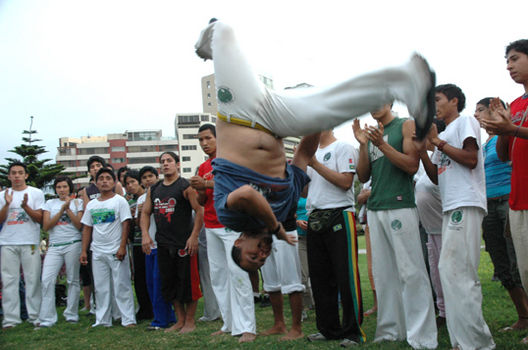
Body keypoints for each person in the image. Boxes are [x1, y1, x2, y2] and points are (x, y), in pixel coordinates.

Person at [194, 19, 436, 268]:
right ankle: (407, 80)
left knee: (224, 31)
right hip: (276, 121)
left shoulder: (233, 218)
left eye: (252, 256)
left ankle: (209, 38)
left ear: (238, 243)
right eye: (262, 259)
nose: (262, 254)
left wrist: (276, 228)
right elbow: (303, 155)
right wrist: (319, 121)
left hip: (239, 113)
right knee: (327, 109)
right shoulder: (284, 211)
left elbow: (246, 194)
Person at [353, 104, 437, 349]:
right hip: (376, 207)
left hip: (400, 204)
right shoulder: (372, 135)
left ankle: (422, 336)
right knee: (383, 273)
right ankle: (390, 330)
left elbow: (412, 165)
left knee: (411, 272)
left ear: (390, 102)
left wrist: (381, 145)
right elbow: (362, 175)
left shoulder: (405, 125)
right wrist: (362, 144)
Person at [418, 84, 494, 349]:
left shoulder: (465, 122)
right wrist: (423, 151)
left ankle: (477, 342)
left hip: (466, 202)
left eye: (436, 99)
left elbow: (471, 158)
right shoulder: (445, 133)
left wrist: (438, 142)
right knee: (449, 271)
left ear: (454, 100)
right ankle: (462, 339)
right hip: (450, 206)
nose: (433, 105)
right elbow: (436, 177)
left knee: (460, 273)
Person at [189, 124, 256, 342]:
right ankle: (228, 323)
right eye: (200, 140)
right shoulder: (202, 167)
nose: (204, 143)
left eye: (208, 138)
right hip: (210, 225)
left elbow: (234, 186)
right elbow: (201, 201)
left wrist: (206, 183)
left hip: (231, 224)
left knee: (238, 273)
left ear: (219, 138)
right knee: (218, 277)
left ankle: (247, 327)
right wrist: (199, 189)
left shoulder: (231, 159)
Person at [481, 39, 528, 344]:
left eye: (514, 59)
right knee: (524, 268)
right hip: (518, 197)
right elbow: (506, 153)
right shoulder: (516, 105)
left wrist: (512, 129)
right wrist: (501, 128)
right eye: (506, 61)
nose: (508, 66)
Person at [304, 130, 364, 347]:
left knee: (345, 276)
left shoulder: (343, 147)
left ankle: (352, 331)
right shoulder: (311, 153)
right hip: (315, 216)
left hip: (340, 213)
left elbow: (346, 182)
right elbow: (305, 192)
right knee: (319, 278)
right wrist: (299, 166)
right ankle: (328, 329)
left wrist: (314, 164)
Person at [140, 152, 203, 334]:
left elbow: (199, 211)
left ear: (177, 164)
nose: (165, 164)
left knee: (189, 285)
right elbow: (145, 213)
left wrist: (194, 236)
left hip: (184, 244)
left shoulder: (185, 186)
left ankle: (190, 321)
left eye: (169, 161)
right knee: (170, 284)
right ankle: (180, 320)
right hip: (163, 244)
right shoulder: (155, 189)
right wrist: (145, 234)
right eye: (162, 162)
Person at [80, 168, 136, 328]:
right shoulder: (91, 205)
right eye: (101, 178)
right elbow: (87, 228)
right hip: (97, 251)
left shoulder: (120, 201)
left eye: (108, 178)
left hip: (116, 250)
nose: (104, 181)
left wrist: (122, 247)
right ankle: (103, 319)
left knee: (122, 285)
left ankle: (128, 319)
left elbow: (126, 224)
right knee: (101, 287)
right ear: (96, 183)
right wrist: (84, 250)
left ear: (114, 182)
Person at [0, 162, 45, 328]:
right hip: (7, 242)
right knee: (9, 280)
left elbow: (39, 218)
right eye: (14, 173)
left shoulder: (36, 193)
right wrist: (6, 204)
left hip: (30, 241)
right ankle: (11, 319)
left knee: (32, 279)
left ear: (26, 175)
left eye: (20, 173)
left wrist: (25, 206)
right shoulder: (3, 195)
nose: (17, 176)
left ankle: (35, 316)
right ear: (9, 176)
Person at [38, 176, 83, 327]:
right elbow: (46, 226)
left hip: (73, 244)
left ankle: (71, 313)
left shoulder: (78, 202)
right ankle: (47, 318)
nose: (62, 190)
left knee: (73, 280)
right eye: (59, 187)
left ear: (70, 188)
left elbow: (79, 225)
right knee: (47, 280)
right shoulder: (50, 203)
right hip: (55, 246)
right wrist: (61, 211)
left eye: (64, 187)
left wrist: (68, 209)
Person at [414, 119, 446, 327]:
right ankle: (443, 312)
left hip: (446, 227)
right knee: (435, 272)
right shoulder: (427, 161)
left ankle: (457, 312)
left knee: (448, 271)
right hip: (430, 229)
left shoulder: (443, 156)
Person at [136, 166, 176, 330]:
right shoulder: (140, 199)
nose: (148, 180)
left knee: (161, 282)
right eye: (144, 177)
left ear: (157, 176)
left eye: (150, 176)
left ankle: (162, 319)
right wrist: (140, 213)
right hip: (149, 245)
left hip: (163, 244)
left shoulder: (163, 193)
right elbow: (139, 223)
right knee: (151, 283)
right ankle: (165, 315)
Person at [124, 170, 153, 321]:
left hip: (151, 241)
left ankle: (155, 307)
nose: (130, 186)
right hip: (136, 242)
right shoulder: (128, 202)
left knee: (152, 276)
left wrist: (141, 212)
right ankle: (144, 308)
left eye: (133, 182)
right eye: (127, 184)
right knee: (140, 277)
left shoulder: (148, 197)